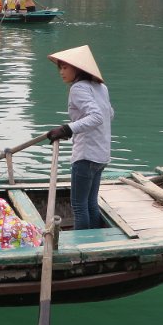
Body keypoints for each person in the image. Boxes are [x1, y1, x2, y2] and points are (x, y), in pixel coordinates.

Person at [46, 45, 114, 230]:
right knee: (90, 203)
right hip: (101, 155)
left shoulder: (78, 88)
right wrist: (74, 128)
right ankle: (92, 244)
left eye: (65, 67)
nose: (61, 71)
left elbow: (97, 117)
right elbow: (109, 114)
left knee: (79, 205)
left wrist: (67, 129)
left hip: (85, 156)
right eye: (60, 67)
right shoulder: (101, 87)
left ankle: (81, 251)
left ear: (78, 68)